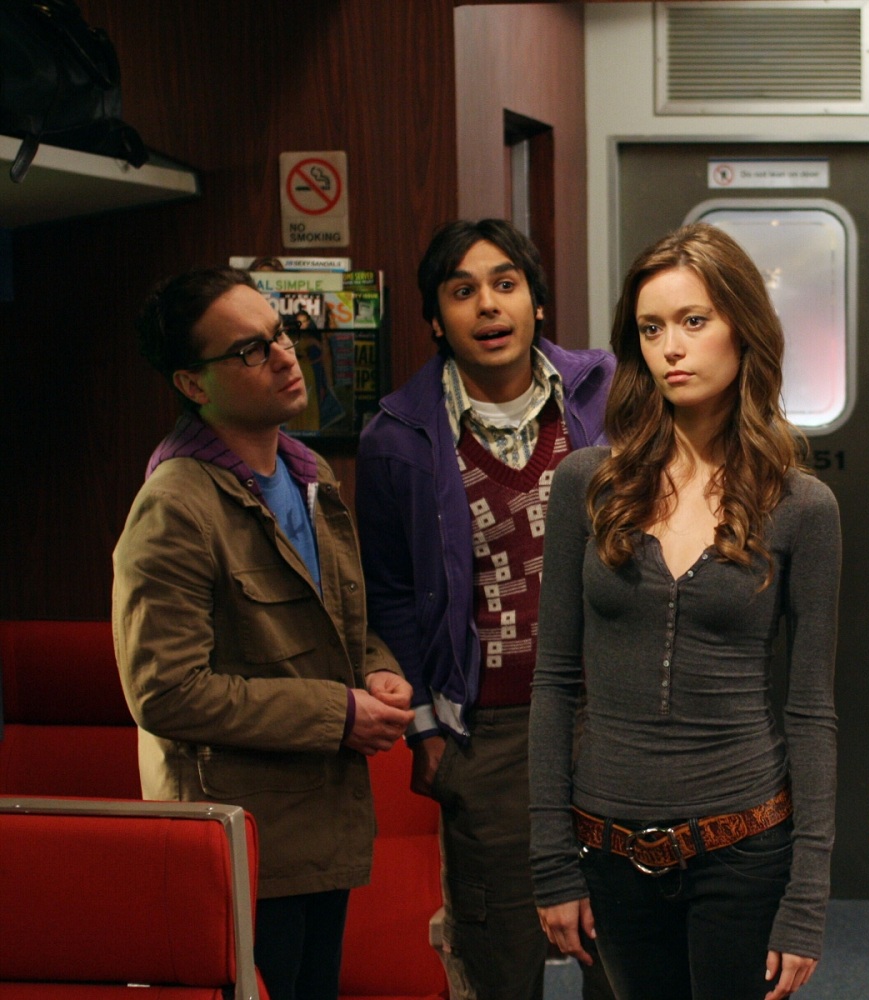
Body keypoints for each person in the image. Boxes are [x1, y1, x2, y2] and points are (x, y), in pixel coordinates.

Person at [528, 223, 841, 1000]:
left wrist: (808, 896)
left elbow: (811, 712)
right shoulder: (587, 483)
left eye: (694, 321)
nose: (671, 347)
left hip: (744, 841)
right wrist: (551, 860)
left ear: (744, 330)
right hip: (608, 844)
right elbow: (555, 682)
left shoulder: (803, 506)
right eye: (651, 328)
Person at [114, 267, 414, 1000]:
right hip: (240, 844)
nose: (284, 357)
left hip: (323, 829)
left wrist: (376, 670)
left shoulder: (308, 475)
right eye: (250, 350)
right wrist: (339, 712)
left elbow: (342, 624)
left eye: (280, 335)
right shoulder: (175, 506)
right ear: (192, 384)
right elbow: (165, 693)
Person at [356, 219, 615, 1000]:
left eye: (506, 284)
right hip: (490, 730)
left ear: (537, 302)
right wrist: (428, 732)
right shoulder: (397, 436)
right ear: (437, 320)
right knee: (500, 959)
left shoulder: (606, 395)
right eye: (462, 291)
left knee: (626, 953)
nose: (489, 306)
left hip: (612, 716)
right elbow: (391, 593)